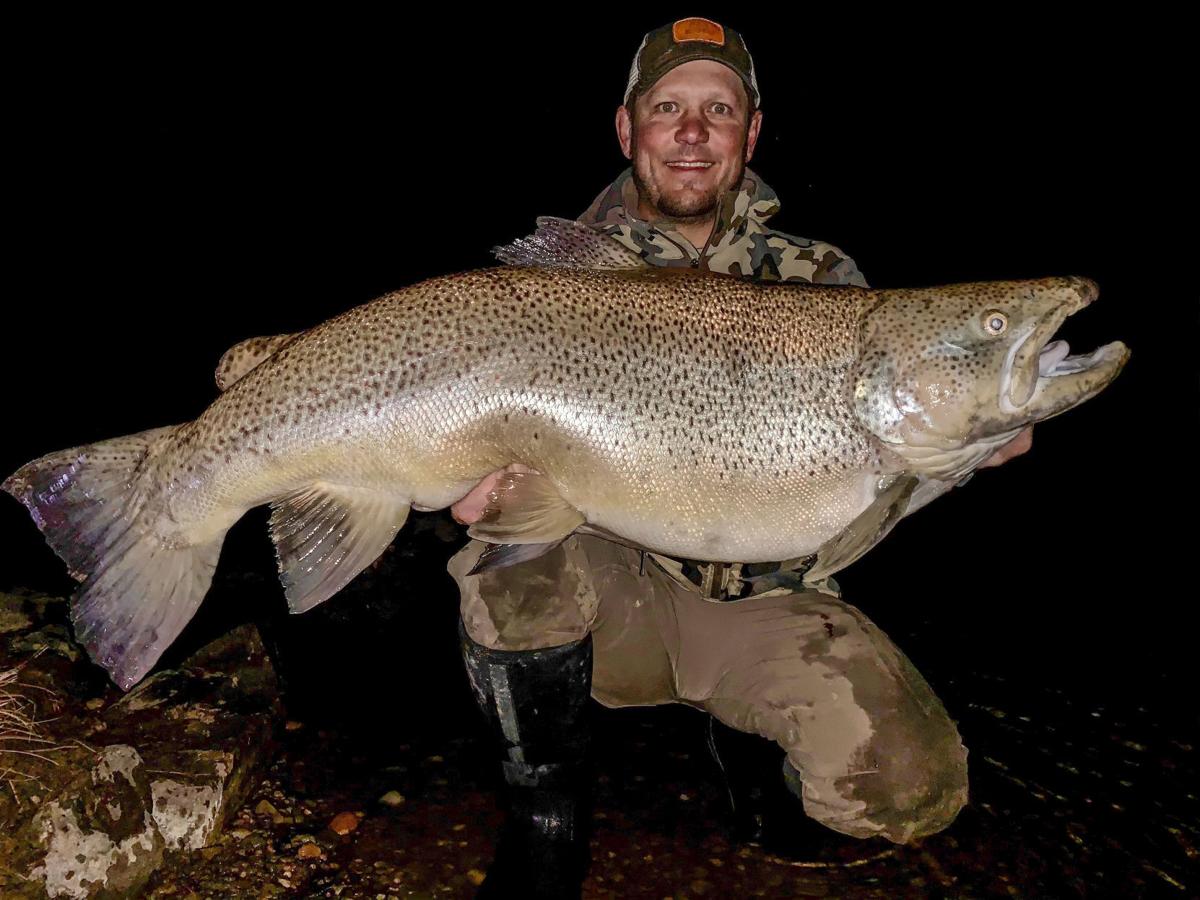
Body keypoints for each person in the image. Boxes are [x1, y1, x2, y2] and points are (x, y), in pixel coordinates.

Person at [451, 18, 1030, 896]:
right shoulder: (558, 283)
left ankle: (751, 745)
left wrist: (968, 439)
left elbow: (876, 471)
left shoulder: (822, 277)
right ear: (627, 128)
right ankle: (547, 821)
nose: (692, 131)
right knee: (506, 566)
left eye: (717, 109)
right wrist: (474, 478)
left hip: (766, 606)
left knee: (913, 790)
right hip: (614, 601)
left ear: (750, 133)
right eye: (668, 108)